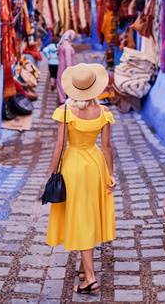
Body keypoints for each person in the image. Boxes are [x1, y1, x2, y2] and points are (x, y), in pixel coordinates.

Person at [46, 63, 117, 294]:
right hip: (95, 166)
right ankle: (84, 269)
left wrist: (50, 173)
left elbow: (60, 145)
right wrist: (112, 174)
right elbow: (107, 147)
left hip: (73, 166)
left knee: (81, 217)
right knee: (89, 214)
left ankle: (91, 280)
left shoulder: (66, 112)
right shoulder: (104, 113)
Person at [56, 30, 76, 104]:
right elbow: (68, 59)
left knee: (61, 83)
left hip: (61, 67)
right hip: (65, 68)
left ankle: (62, 99)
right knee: (66, 83)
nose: (73, 38)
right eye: (73, 37)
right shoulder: (67, 46)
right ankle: (64, 100)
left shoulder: (63, 44)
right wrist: (70, 70)